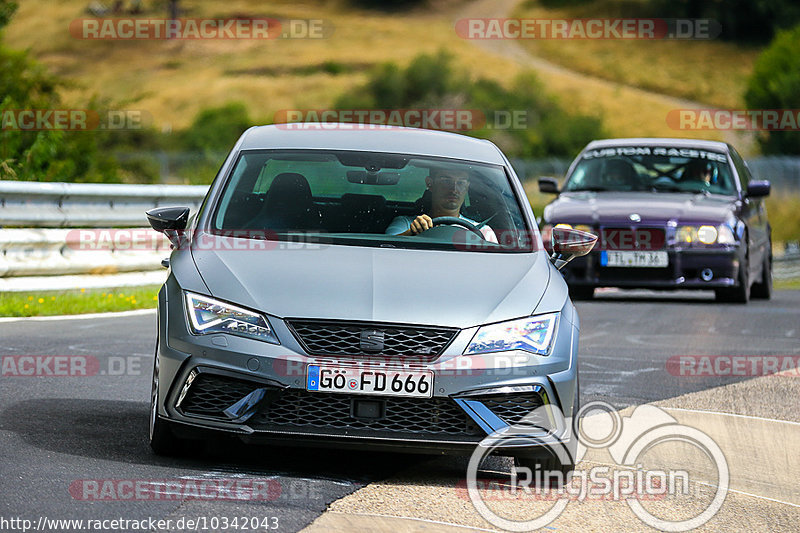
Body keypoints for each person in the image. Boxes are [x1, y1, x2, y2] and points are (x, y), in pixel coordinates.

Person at [385, 166, 498, 242]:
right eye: (446, 181)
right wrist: (412, 233)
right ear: (429, 183)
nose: (454, 189)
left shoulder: (483, 232)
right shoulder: (406, 224)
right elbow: (384, 249)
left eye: (460, 183)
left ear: (467, 187)